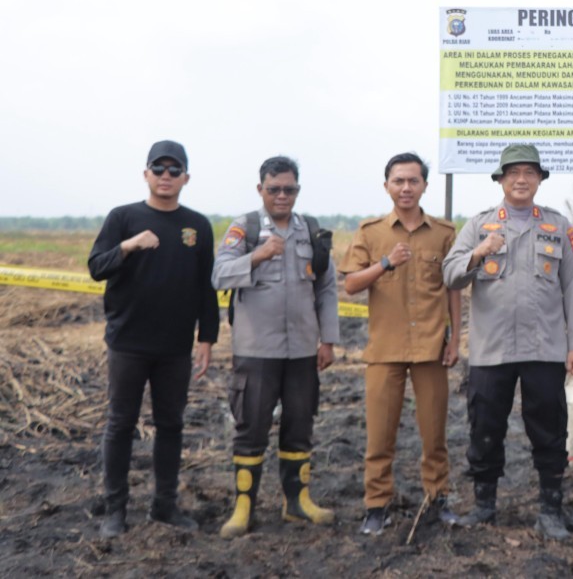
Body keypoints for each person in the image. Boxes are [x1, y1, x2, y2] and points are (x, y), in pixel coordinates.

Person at [442, 144, 573, 540]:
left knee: (549, 428)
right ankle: (484, 506)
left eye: (529, 173)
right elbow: (450, 275)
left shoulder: (558, 226)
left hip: (545, 348)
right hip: (492, 350)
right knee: (485, 426)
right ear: (501, 180)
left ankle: (550, 509)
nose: (521, 180)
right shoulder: (480, 225)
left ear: (540, 179)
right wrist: (478, 253)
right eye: (513, 173)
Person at [88, 140, 219, 537]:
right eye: (158, 169)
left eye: (174, 170)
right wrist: (129, 246)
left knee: (171, 424)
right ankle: (115, 510)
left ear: (186, 178)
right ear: (145, 174)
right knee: (120, 424)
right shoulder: (123, 217)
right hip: (128, 342)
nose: (166, 176)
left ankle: (164, 505)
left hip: (175, 346)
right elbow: (96, 267)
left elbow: (206, 287)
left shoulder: (198, 226)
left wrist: (207, 338)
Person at [212, 156, 339, 539]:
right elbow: (218, 275)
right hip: (256, 351)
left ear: (297, 190)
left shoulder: (311, 231)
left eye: (289, 189)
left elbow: (326, 288)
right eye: (274, 189)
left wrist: (328, 340)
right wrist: (258, 255)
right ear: (260, 189)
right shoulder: (245, 228)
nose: (282, 195)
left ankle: (297, 503)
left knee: (300, 425)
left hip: (302, 350)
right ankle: (243, 508)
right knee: (251, 427)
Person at [342, 153, 462, 535]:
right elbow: (351, 284)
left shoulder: (443, 233)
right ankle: (377, 506)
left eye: (413, 181)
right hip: (384, 350)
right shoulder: (370, 232)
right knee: (380, 437)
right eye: (399, 181)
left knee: (435, 434)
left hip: (431, 348)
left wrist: (455, 339)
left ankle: (437, 499)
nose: (406, 188)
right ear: (387, 186)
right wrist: (385, 264)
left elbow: (453, 288)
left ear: (424, 185)